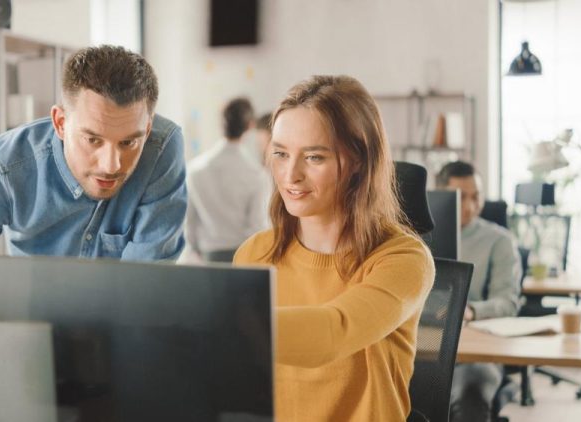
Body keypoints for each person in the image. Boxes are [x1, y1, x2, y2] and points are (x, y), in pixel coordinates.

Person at [233, 75, 435, 421]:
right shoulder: (254, 254)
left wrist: (221, 323)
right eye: (280, 153)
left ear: (359, 160)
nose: (290, 175)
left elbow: (334, 332)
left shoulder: (403, 260)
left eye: (314, 157)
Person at [0, 45, 187, 260]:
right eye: (93, 140)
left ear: (147, 128)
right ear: (60, 123)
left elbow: (146, 283)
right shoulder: (4, 166)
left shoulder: (162, 148)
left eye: (128, 143)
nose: (111, 166)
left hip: (125, 305)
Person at [436, 160, 522, 422]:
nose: (470, 206)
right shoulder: (413, 237)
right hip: (424, 345)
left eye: (476, 197)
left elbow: (507, 301)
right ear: (439, 196)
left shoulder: (499, 240)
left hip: (476, 351)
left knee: (469, 394)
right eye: (461, 197)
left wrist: (471, 310)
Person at [185, 97, 270, 262]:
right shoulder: (256, 175)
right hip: (243, 258)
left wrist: (195, 249)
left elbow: (190, 223)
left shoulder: (195, 170)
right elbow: (257, 227)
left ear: (221, 123)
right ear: (250, 125)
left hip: (207, 258)